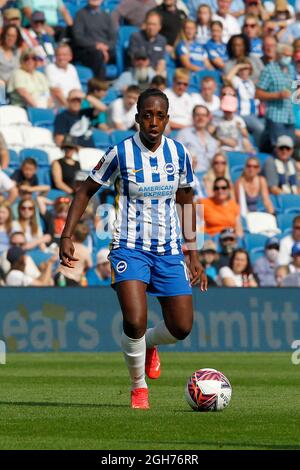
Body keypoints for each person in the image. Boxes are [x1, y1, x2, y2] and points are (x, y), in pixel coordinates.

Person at [59, 87, 207, 409]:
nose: (153, 121)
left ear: (167, 119)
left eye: (160, 116)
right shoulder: (120, 153)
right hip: (129, 247)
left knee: (181, 327)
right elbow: (85, 191)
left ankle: (150, 345)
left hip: (168, 249)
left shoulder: (179, 154)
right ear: (138, 118)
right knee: (135, 320)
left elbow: (186, 200)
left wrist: (193, 253)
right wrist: (66, 235)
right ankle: (139, 387)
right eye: (147, 115)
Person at [256, 43, 295, 150]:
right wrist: (277, 95)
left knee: (289, 148)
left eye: (290, 56)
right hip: (275, 116)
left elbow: (293, 89)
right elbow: (258, 93)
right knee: (279, 148)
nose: (288, 58)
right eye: (285, 55)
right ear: (278, 54)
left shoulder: (291, 69)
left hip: (289, 116)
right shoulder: (269, 70)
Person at [72, 0, 117, 80]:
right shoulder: (80, 14)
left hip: (106, 51)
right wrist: (96, 46)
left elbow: (113, 38)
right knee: (98, 55)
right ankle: (99, 86)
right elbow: (78, 38)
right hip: (88, 51)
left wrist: (105, 47)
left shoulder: (107, 16)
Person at [176, 104, 219, 173]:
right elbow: (174, 156)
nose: (201, 118)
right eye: (197, 115)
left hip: (208, 178)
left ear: (208, 118)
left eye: (204, 115)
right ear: (193, 117)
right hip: (189, 175)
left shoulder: (212, 140)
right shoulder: (183, 134)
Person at [128, 11, 167, 76]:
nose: (151, 27)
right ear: (145, 25)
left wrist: (158, 73)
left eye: (154, 24)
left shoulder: (162, 40)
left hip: (155, 72)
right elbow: (134, 59)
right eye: (149, 24)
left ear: (159, 27)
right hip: (138, 70)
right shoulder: (135, 37)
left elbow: (161, 60)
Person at [45, 43, 81, 108]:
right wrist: (69, 108)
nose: (61, 57)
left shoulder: (72, 68)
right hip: (60, 106)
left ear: (70, 57)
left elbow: (78, 89)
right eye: (58, 55)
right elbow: (56, 91)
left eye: (64, 55)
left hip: (74, 103)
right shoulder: (50, 68)